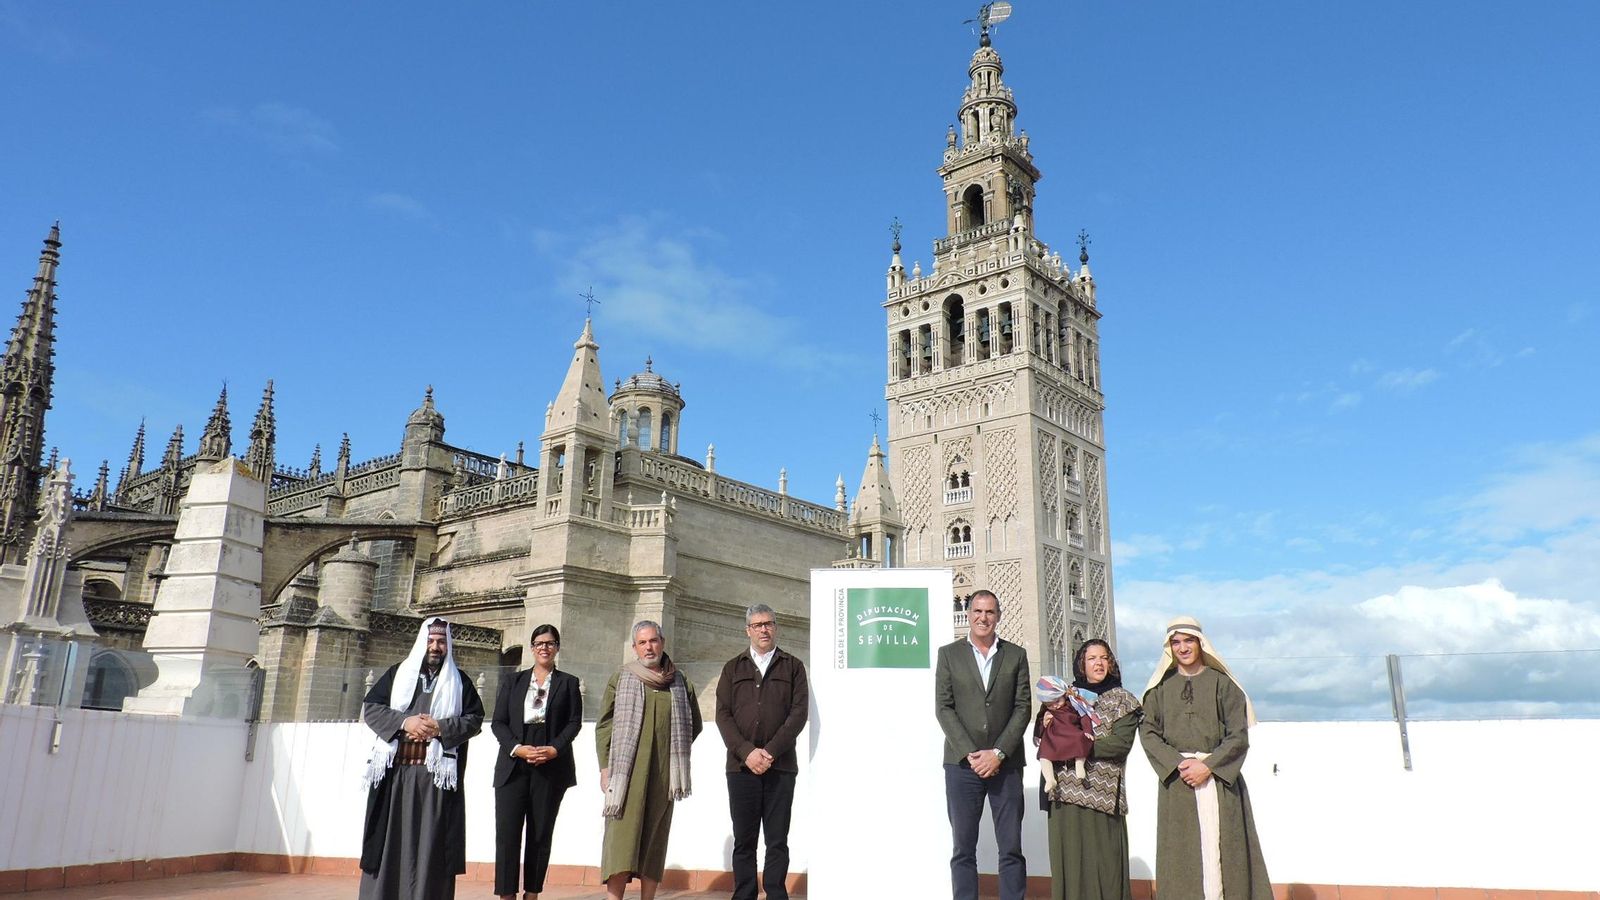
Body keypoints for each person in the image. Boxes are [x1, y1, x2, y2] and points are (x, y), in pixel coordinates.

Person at [1140, 616, 1272, 900]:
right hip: (1179, 782)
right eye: (1176, 642)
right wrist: (1179, 764)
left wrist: (1208, 766)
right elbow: (1148, 732)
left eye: (1188, 640)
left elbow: (1238, 736)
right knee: (1182, 857)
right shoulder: (1159, 689)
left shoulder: (1223, 685)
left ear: (1200, 643)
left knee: (1228, 853)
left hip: (1220, 783)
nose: (1183, 647)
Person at [359, 617, 485, 900]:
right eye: (430, 641)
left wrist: (440, 727)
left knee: (431, 847)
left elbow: (475, 719)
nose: (436, 647)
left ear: (448, 645)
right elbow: (371, 709)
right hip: (396, 777)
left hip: (435, 782)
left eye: (441, 642)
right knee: (389, 844)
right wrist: (406, 723)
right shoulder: (397, 675)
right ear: (421, 642)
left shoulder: (459, 681)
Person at [934, 589, 1031, 900]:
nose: (983, 618)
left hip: (1007, 764)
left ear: (998, 617)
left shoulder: (1016, 655)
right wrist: (971, 754)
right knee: (963, 848)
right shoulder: (949, 654)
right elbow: (943, 707)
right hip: (963, 765)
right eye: (977, 611)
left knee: (1011, 848)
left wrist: (999, 753)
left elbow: (1023, 707)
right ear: (969, 614)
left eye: (989, 612)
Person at [595, 620, 703, 900]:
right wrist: (606, 767)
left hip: (663, 775)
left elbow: (694, 724)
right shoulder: (622, 678)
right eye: (642, 642)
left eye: (653, 640)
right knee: (620, 837)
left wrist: (674, 751)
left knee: (655, 838)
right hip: (625, 775)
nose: (649, 647)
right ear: (634, 647)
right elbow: (604, 725)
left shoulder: (679, 682)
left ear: (662, 642)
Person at [714, 603, 809, 900]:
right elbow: (723, 715)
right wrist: (747, 753)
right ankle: (744, 895)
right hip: (741, 769)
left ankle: (777, 894)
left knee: (777, 839)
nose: (764, 629)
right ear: (748, 630)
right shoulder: (733, 668)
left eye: (768, 623)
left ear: (776, 627)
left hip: (780, 768)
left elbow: (798, 713)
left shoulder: (793, 666)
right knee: (744, 840)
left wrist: (768, 753)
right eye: (757, 625)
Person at [1035, 639, 1142, 900]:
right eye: (1092, 658)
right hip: (1063, 793)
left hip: (1103, 796)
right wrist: (1044, 723)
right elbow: (1041, 736)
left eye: (1104, 658)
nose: (1099, 663)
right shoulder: (1064, 694)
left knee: (1106, 867)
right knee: (1070, 865)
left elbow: (1119, 744)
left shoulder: (1124, 701)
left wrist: (1072, 745)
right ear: (1081, 663)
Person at [491, 624, 583, 900]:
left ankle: (532, 893)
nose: (545, 647)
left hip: (550, 764)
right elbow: (498, 722)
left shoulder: (568, 682)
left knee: (540, 833)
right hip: (514, 764)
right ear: (532, 648)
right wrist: (517, 748)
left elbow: (573, 722)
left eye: (550, 643)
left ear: (557, 648)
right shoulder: (514, 682)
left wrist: (555, 749)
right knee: (508, 834)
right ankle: (507, 894)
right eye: (540, 643)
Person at [1033, 675, 1094, 790]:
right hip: (1053, 737)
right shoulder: (1046, 711)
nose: (1054, 706)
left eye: (1057, 701)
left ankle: (1079, 765)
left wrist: (1087, 730)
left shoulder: (1073, 704)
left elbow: (1084, 716)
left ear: (1064, 695)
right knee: (1044, 755)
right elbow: (1039, 722)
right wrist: (1039, 731)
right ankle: (1050, 779)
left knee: (1081, 741)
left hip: (1072, 733)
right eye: (1049, 705)